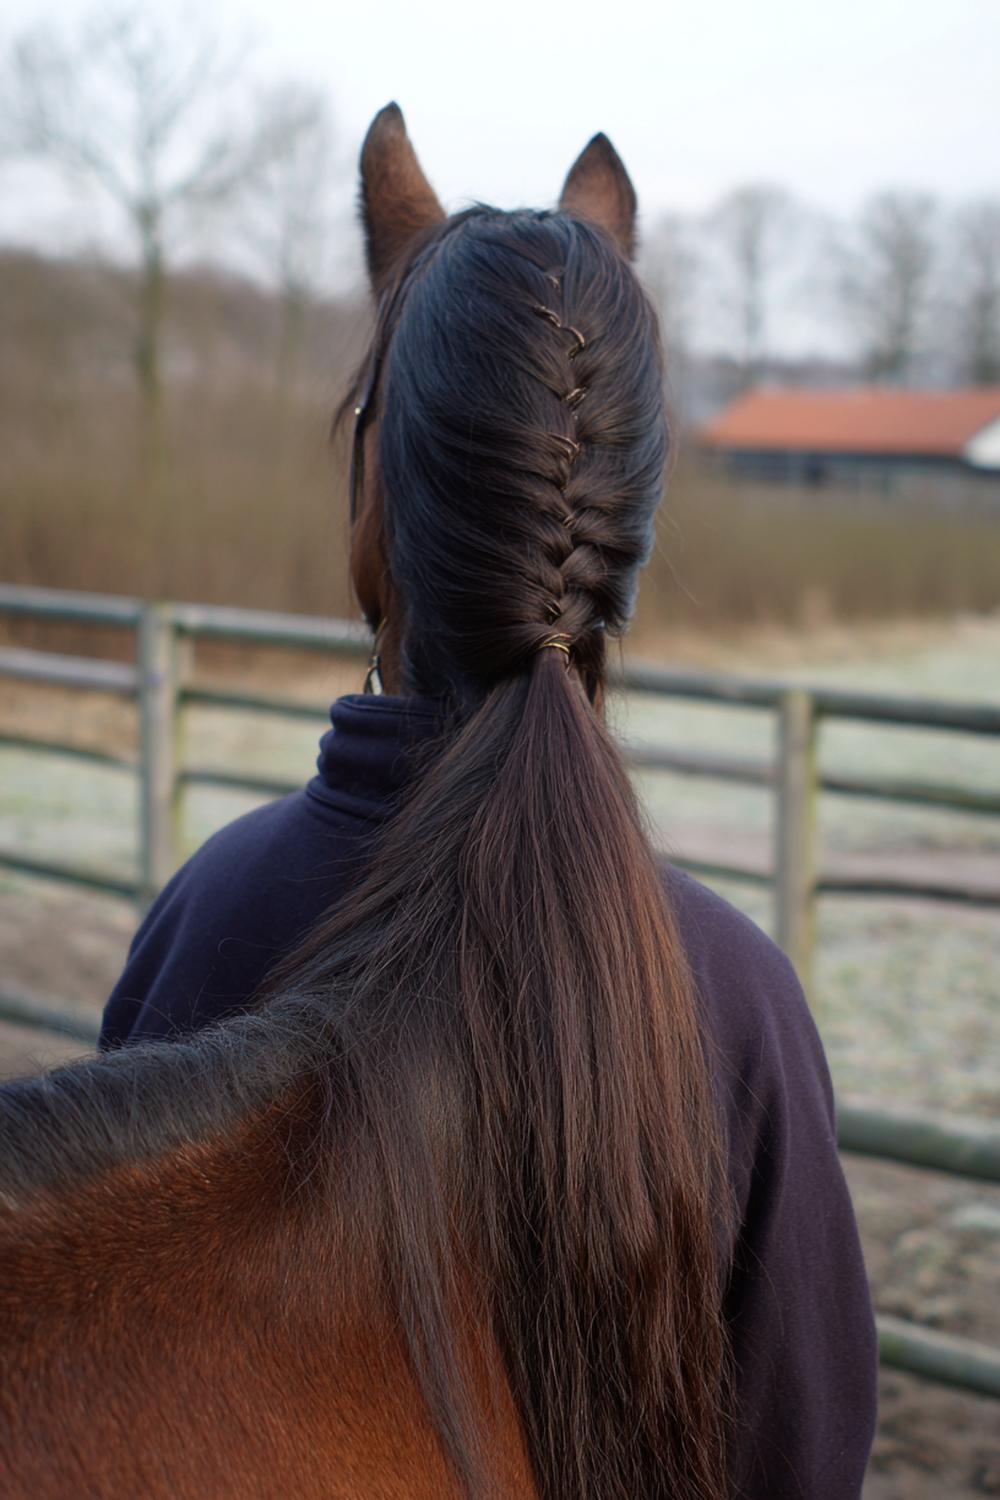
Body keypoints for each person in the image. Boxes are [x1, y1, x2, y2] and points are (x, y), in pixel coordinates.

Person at [101, 105, 877, 1499]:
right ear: (615, 541)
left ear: (377, 521)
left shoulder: (210, 926)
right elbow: (801, 1462)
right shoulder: (740, 1009)